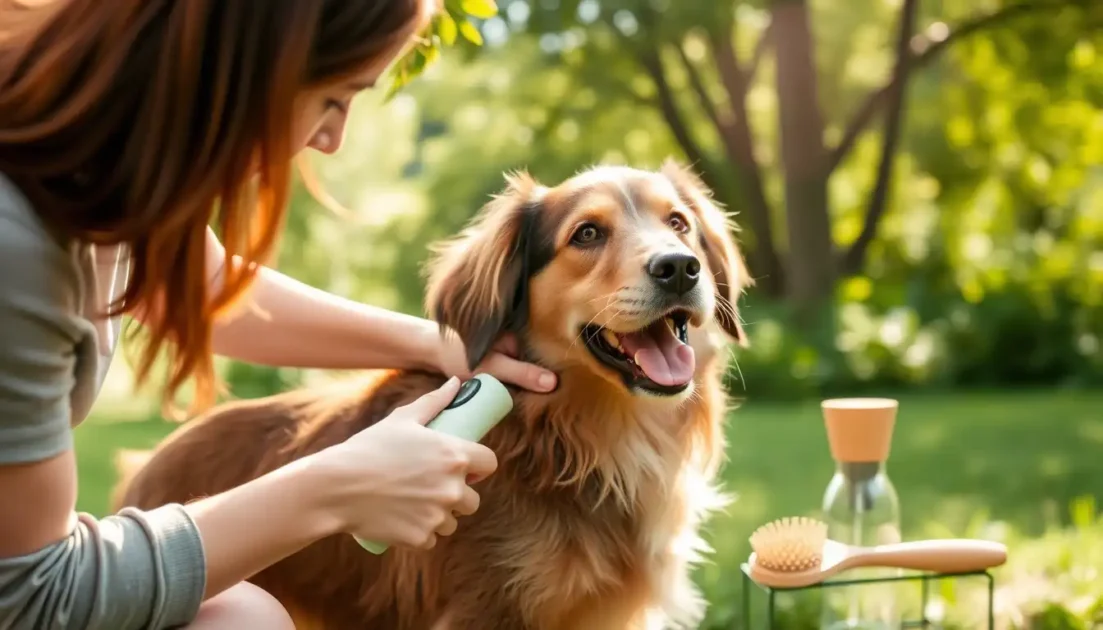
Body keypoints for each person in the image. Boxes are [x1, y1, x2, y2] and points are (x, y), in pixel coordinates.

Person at [0, 1, 559, 629]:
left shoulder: (92, 166)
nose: (331, 139)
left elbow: (197, 287)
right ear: (244, 64)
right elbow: (33, 594)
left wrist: (433, 344)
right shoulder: (15, 244)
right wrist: (333, 488)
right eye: (336, 98)